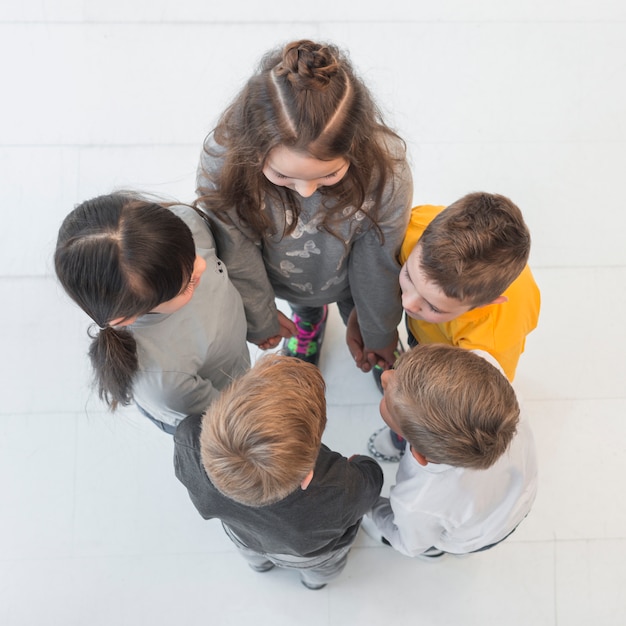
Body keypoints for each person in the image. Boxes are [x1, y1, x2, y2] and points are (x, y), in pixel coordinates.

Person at [195, 39, 413, 368]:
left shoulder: (386, 170)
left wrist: (379, 331)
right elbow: (234, 249)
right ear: (253, 148)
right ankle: (308, 321)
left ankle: (367, 336)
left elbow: (379, 259)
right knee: (305, 307)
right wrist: (260, 316)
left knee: (361, 307)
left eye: (328, 175)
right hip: (281, 278)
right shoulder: (224, 162)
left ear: (356, 148)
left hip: (352, 278)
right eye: (283, 176)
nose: (307, 191)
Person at [348, 191, 541, 461]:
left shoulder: (490, 346)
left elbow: (461, 405)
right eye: (408, 276)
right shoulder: (417, 226)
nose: (408, 304)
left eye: (434, 306)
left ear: (487, 303)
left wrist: (414, 421)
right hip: (431, 334)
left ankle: (402, 436)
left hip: (456, 357)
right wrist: (367, 314)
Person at [173, 354, 384, 590]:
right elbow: (371, 481)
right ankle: (314, 583)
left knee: (251, 553)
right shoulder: (336, 488)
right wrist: (362, 463)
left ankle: (260, 566)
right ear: (307, 478)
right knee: (323, 569)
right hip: (311, 555)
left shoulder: (189, 440)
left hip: (244, 536)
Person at [54, 192, 250, 434]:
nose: (203, 265)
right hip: (222, 406)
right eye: (187, 284)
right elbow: (234, 422)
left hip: (233, 354)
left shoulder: (185, 220)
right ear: (127, 317)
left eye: (193, 253)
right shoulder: (164, 381)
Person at [363, 343, 538, 558]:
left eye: (389, 404)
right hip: (519, 496)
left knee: (423, 538)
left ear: (420, 455)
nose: (386, 376)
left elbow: (409, 544)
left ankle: (433, 551)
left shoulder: (417, 501)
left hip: (476, 537)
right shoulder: (493, 378)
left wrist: (369, 504)